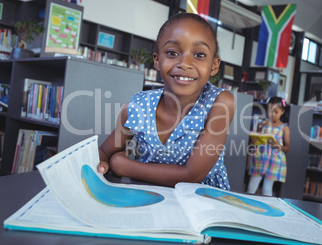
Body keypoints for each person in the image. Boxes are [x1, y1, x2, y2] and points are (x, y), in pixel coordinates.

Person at [98, 12, 236, 190]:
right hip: (150, 201)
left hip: (203, 205)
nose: (184, 64)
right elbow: (104, 152)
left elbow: (191, 175)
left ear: (214, 65)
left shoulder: (220, 103)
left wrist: (122, 165)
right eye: (172, 52)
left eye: (199, 55)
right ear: (157, 60)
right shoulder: (139, 106)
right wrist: (104, 163)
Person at [247, 97, 290, 196]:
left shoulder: (284, 128)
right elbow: (255, 140)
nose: (272, 114)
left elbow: (287, 147)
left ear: (282, 112)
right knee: (251, 187)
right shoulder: (261, 124)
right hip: (259, 159)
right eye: (270, 111)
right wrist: (253, 140)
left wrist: (279, 146)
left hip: (273, 161)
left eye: (276, 112)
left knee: (267, 189)